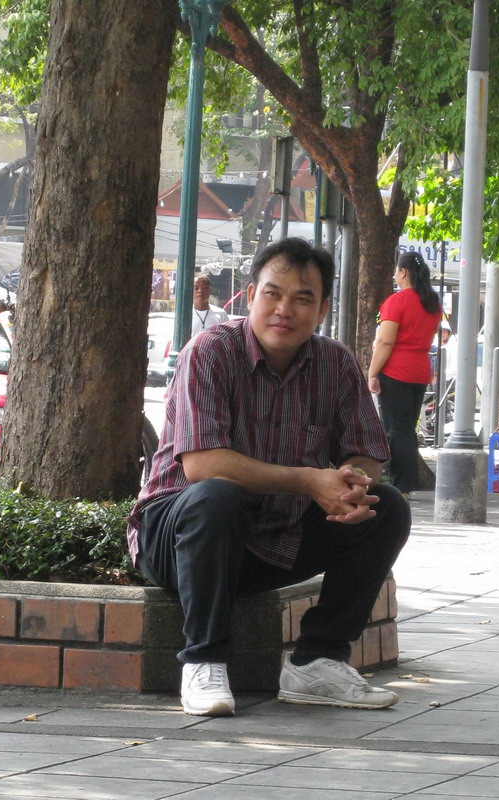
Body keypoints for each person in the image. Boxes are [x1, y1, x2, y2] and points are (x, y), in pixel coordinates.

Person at [127, 237, 411, 718]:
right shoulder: (211, 351)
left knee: (387, 508)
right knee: (217, 496)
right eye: (273, 294)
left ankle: (318, 662)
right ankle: (203, 661)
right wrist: (308, 481)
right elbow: (202, 465)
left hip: (276, 538)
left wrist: (353, 482)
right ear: (251, 294)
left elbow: (365, 453)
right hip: (180, 538)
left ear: (321, 309)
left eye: (302, 299)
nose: (285, 310)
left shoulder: (335, 363)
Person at [368, 251, 441, 495]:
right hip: (420, 370)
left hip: (396, 370)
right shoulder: (432, 304)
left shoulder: (397, 301)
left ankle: (402, 486)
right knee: (407, 428)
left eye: (396, 270)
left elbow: (385, 342)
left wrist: (372, 372)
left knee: (396, 430)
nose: (395, 275)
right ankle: (407, 483)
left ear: (403, 272)